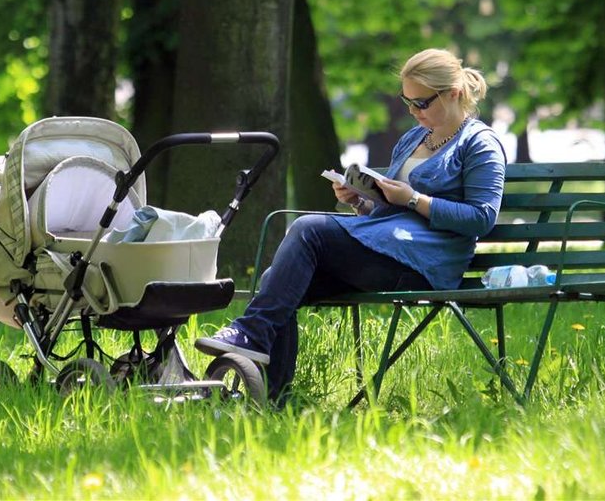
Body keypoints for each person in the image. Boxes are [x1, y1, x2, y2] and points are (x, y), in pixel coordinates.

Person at [195, 48, 507, 402]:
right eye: (407, 102)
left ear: (453, 93)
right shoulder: (412, 139)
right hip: (387, 248)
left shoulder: (479, 144)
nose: (413, 112)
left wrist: (413, 199)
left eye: (421, 103)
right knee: (274, 281)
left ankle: (251, 333)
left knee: (309, 228)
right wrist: (361, 199)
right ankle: (272, 399)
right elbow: (389, 212)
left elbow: (482, 217)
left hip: (424, 263)